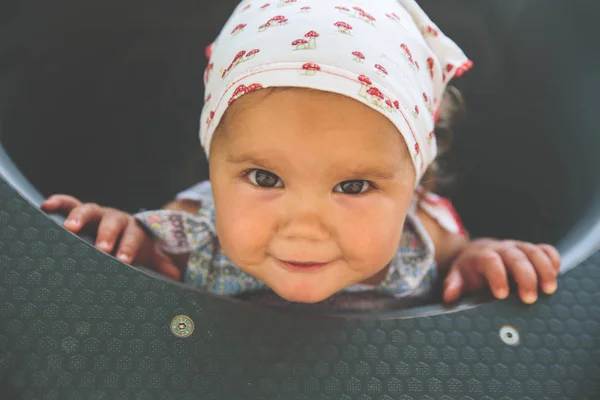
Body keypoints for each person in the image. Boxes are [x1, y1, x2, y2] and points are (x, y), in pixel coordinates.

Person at [41, 0, 560, 311]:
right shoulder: (196, 231)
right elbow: (143, 256)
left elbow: (460, 261)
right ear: (212, 161)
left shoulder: (422, 234)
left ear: (415, 182)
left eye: (353, 186)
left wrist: (482, 260)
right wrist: (122, 240)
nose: (304, 226)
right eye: (264, 177)